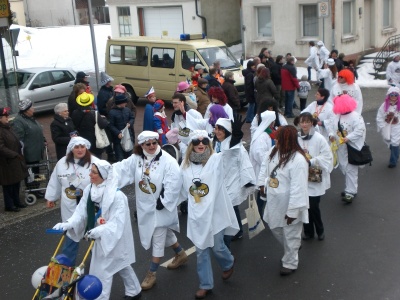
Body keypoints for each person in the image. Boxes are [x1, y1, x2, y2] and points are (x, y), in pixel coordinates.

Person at [52, 160, 142, 300]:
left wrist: (100, 231)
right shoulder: (89, 189)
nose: (90, 174)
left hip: (114, 237)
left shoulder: (117, 196)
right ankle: (134, 290)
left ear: (103, 175)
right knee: (120, 263)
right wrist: (68, 223)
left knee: (101, 271)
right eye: (91, 171)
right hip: (100, 235)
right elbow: (81, 212)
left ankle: (99, 297)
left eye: (94, 172)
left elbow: (117, 224)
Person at [113, 131, 188, 291]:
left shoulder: (168, 161)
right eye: (148, 144)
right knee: (162, 231)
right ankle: (180, 253)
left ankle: (151, 273)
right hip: (145, 206)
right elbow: (121, 168)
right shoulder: (137, 159)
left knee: (158, 237)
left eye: (154, 143)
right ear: (141, 145)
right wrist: (103, 172)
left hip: (161, 206)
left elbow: (174, 180)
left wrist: (165, 200)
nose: (152, 146)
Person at [180, 129, 239, 299]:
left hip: (215, 213)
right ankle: (205, 284)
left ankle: (228, 263)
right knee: (201, 251)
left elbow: (229, 156)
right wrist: (163, 200)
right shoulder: (185, 167)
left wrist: (232, 140)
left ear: (209, 144)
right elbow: (178, 188)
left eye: (204, 141)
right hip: (197, 215)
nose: (200, 144)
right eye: (197, 142)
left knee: (218, 246)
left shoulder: (215, 160)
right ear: (191, 145)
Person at [257, 125, 309, 276]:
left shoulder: (299, 160)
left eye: (279, 139)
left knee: (290, 233)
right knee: (275, 228)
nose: (276, 142)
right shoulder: (273, 152)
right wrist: (261, 184)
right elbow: (263, 167)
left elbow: (298, 188)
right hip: (274, 200)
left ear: (288, 141)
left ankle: (290, 262)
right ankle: (293, 246)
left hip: (290, 204)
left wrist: (293, 211)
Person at [45, 137, 99, 265]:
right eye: (76, 147)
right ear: (71, 149)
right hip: (69, 206)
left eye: (82, 146)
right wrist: (51, 197)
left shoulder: (95, 162)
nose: (80, 150)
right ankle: (67, 270)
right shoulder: (62, 163)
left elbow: (104, 182)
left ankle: (99, 264)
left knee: (94, 236)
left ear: (86, 147)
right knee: (71, 234)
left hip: (90, 206)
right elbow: (55, 181)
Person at [213, 117, 256, 244]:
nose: (217, 131)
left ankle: (237, 231)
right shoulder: (216, 143)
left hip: (233, 180)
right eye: (216, 128)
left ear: (226, 131)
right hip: (220, 180)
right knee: (228, 206)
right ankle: (232, 229)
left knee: (231, 205)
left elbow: (243, 161)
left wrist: (248, 180)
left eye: (220, 129)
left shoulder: (234, 145)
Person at [294, 112, 333, 241]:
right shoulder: (297, 138)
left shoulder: (319, 138)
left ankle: (320, 230)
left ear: (312, 122)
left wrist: (312, 161)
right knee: (304, 206)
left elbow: (327, 157)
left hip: (315, 176)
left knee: (314, 206)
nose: (304, 124)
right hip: (301, 177)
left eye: (307, 122)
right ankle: (308, 231)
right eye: (302, 122)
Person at [329, 94, 366, 203]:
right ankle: (350, 188)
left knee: (351, 169)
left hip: (352, 148)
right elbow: (331, 127)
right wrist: (331, 135)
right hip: (340, 148)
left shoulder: (356, 116)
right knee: (344, 167)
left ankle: (351, 191)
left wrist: (348, 138)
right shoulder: (337, 116)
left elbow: (360, 130)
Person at [12, 99, 46, 198]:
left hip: (36, 152)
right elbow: (19, 139)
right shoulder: (18, 121)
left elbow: (38, 130)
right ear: (26, 110)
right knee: (30, 173)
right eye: (31, 107)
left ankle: (37, 189)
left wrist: (43, 139)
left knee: (36, 172)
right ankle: (32, 190)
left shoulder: (31, 118)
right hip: (29, 153)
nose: (33, 108)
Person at [249, 110, 276, 217]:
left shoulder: (270, 132)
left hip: (270, 168)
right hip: (263, 169)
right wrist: (272, 161)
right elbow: (259, 154)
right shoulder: (262, 136)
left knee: (267, 192)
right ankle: (258, 216)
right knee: (262, 192)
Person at [0, 107, 28, 212]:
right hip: (6, 162)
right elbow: (1, 148)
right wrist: (14, 154)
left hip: (15, 160)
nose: (8, 117)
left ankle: (17, 201)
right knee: (8, 184)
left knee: (16, 182)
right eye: (5, 116)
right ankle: (9, 204)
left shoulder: (7, 128)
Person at [71, 92, 108, 158]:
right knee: (96, 159)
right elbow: (102, 125)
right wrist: (105, 119)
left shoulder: (75, 113)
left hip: (81, 139)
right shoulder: (94, 113)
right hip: (94, 140)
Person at [376, 87, 400, 168]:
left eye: (396, 95)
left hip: (397, 127)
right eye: (392, 94)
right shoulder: (384, 106)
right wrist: (382, 126)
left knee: (395, 142)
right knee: (388, 141)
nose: (393, 96)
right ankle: (396, 153)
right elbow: (379, 116)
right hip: (387, 127)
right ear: (388, 95)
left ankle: (393, 161)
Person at [108, 94, 135, 161]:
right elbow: (111, 125)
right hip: (118, 139)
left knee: (129, 156)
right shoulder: (112, 112)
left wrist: (130, 123)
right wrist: (118, 133)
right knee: (120, 157)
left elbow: (132, 118)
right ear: (120, 103)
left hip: (128, 136)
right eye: (125, 102)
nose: (126, 103)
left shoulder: (127, 110)